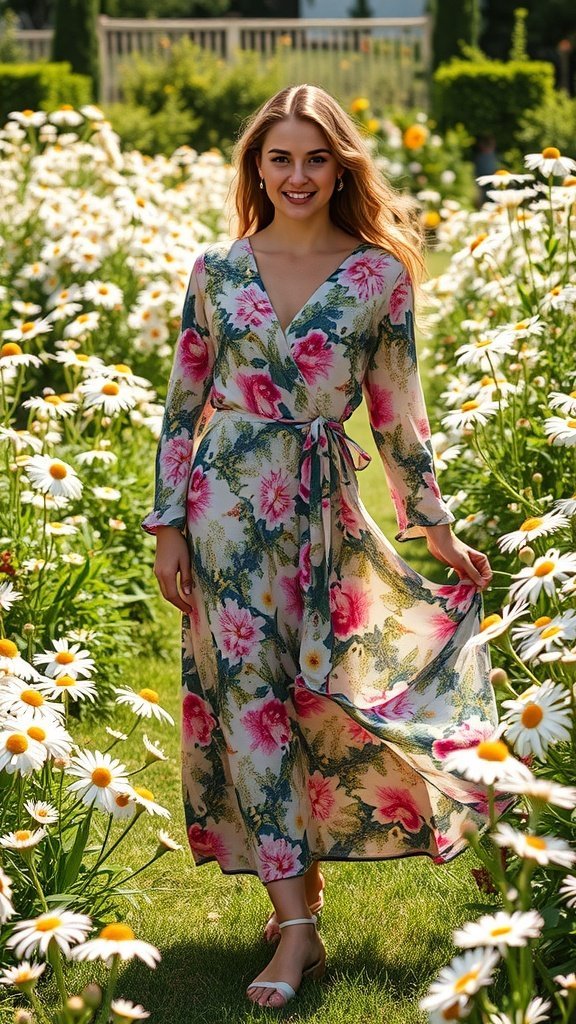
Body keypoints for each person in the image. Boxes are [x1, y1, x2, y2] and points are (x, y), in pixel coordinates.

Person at [141, 84, 509, 1009]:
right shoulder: (216, 272)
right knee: (249, 704)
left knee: (325, 695)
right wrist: (168, 526)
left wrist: (437, 525)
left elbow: (397, 411)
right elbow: (184, 406)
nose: (297, 175)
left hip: (322, 513)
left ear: (340, 164)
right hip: (224, 506)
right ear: (255, 167)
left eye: (315, 157)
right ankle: (295, 927)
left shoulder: (379, 275)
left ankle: (308, 874)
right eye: (279, 158)